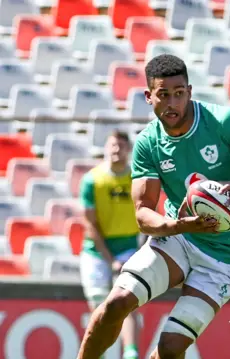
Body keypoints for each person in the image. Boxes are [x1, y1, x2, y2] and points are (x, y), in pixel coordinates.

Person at [76, 54, 230, 359]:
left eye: (179, 93)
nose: (172, 103)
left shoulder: (225, 122)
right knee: (116, 302)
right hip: (178, 237)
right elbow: (143, 213)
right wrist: (177, 226)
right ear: (149, 97)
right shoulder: (148, 142)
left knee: (171, 347)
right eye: (163, 95)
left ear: (190, 91)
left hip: (225, 257)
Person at [79, 131, 140, 359]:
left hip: (128, 246)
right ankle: (100, 354)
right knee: (98, 303)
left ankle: (131, 352)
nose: (116, 150)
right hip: (96, 251)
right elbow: (90, 224)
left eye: (121, 146)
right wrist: (110, 259)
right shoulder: (92, 180)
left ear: (128, 150)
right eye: (113, 145)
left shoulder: (137, 177)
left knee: (125, 300)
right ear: (106, 147)